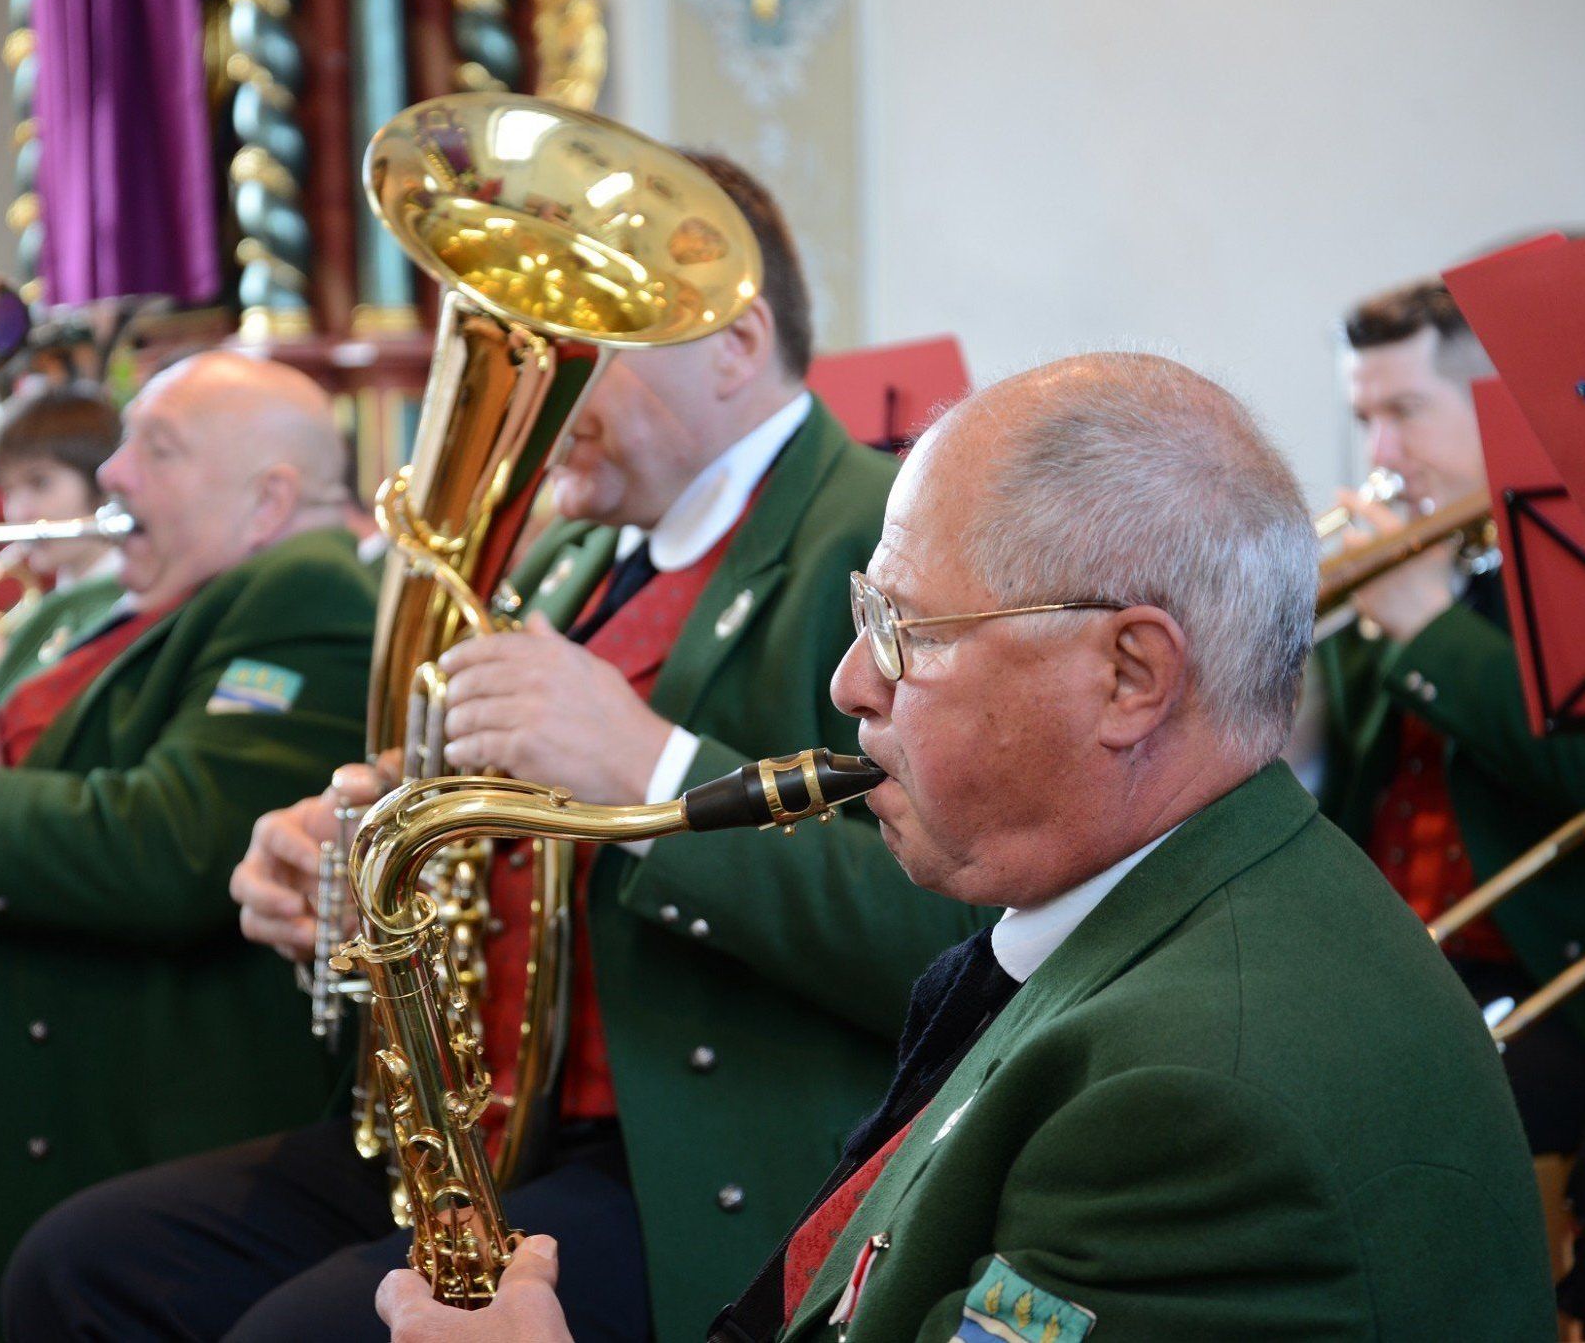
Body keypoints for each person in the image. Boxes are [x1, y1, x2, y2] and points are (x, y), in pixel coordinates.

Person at [2, 155, 984, 1343]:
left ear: (733, 343)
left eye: (587, 339)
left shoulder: (871, 538)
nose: (539, 391)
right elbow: (472, 820)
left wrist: (650, 765)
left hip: (704, 1159)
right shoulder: (569, 558)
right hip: (494, 1129)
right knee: (81, 1265)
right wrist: (354, 856)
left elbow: (949, 933)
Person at [378, 352, 1553, 1343]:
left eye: (905, 629)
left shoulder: (1189, 1104)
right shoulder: (1156, 922)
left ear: (1130, 676)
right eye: (864, 615)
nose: (851, 683)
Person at [0, 351, 379, 1343]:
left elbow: (177, 840)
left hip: (133, 1112)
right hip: (13, 1079)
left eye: (157, 448)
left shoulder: (307, 589)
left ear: (268, 499)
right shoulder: (106, 607)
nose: (113, 471)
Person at [1316, 279, 1585, 1230]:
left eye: (1405, 412)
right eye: (1365, 419)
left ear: (1498, 406)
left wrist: (1429, 625)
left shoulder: (1561, 575)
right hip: (1388, 970)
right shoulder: (1412, 567)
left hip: (1538, 989)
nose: (1380, 455)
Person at [0, 381, 126, 674]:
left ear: (103, 478)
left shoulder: (125, 603)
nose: (18, 512)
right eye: (8, 491)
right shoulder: (59, 600)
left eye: (40, 483)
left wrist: (1, 676)